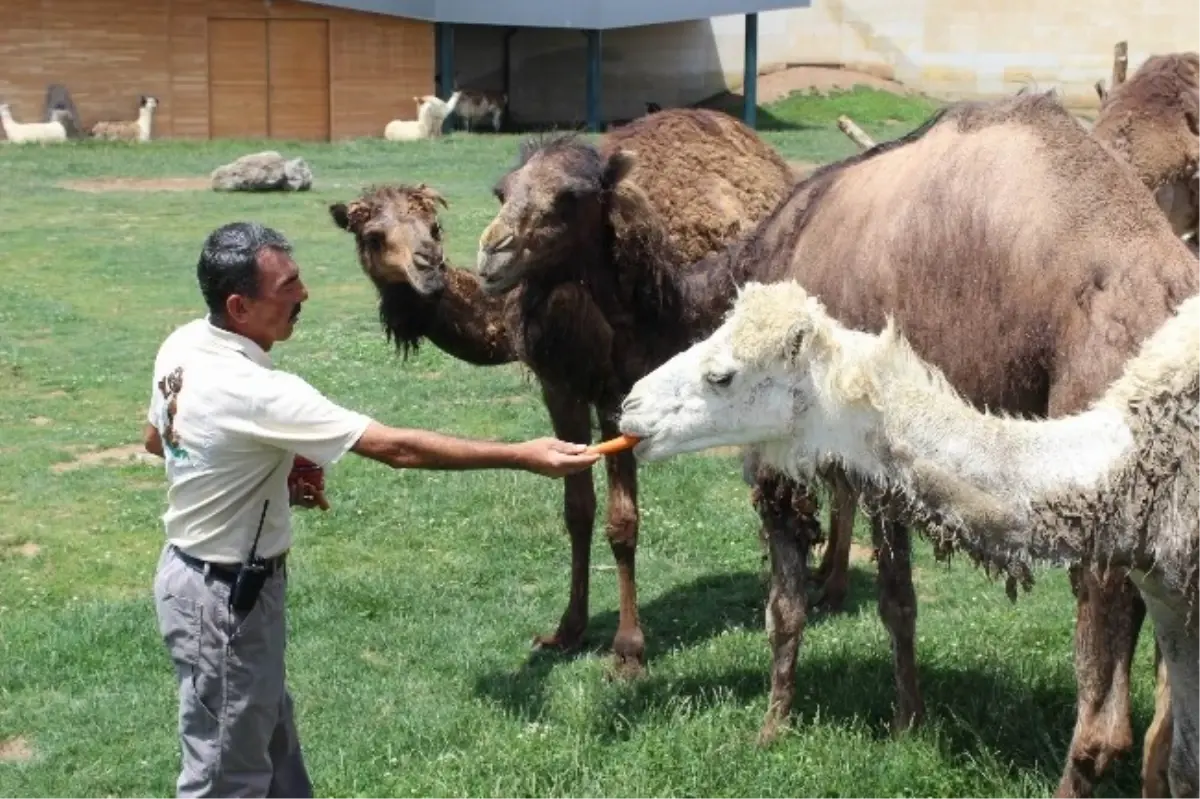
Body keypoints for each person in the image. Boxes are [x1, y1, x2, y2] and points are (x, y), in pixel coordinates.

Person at [142, 221, 599, 798]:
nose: (303, 294)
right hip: (224, 598)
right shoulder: (258, 390)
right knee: (224, 778)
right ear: (239, 305)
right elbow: (395, 448)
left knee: (270, 746)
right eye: (288, 286)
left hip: (201, 583)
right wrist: (521, 454)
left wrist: (273, 466)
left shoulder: (183, 344)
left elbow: (159, 439)